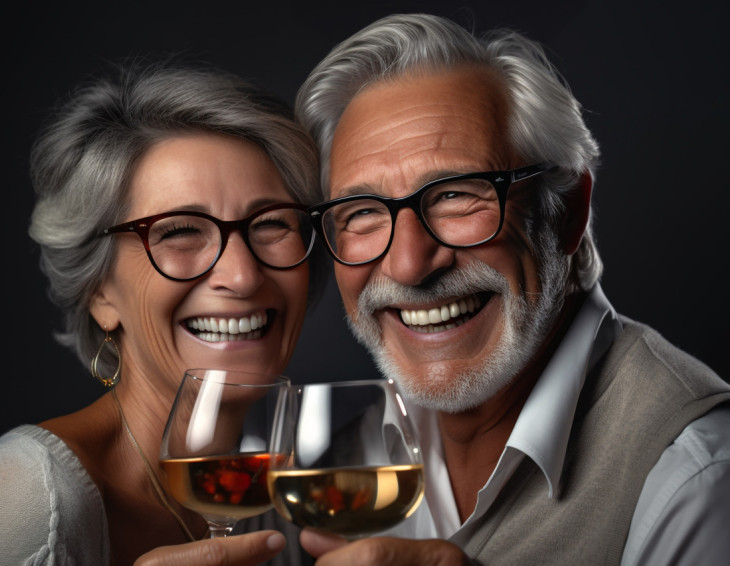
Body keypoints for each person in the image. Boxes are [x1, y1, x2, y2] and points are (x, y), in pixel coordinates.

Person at [294, 13, 729, 565]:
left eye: (455, 195)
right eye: (362, 212)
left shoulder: (694, 478)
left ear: (568, 211)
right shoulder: (353, 456)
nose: (407, 265)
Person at [0, 61, 325, 566]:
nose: (242, 276)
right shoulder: (25, 499)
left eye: (270, 224)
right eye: (179, 231)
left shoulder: (297, 492)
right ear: (99, 292)